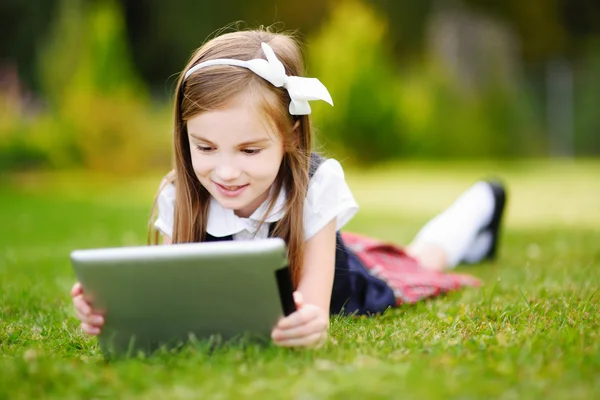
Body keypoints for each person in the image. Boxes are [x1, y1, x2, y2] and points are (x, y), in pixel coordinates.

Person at [71, 29, 507, 348]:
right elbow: (170, 300)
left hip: (348, 282)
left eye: (249, 150)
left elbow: (316, 308)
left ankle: (482, 203)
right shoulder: (179, 195)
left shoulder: (317, 185)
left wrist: (312, 326)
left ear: (291, 138)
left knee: (420, 260)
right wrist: (110, 314)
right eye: (205, 146)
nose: (225, 172)